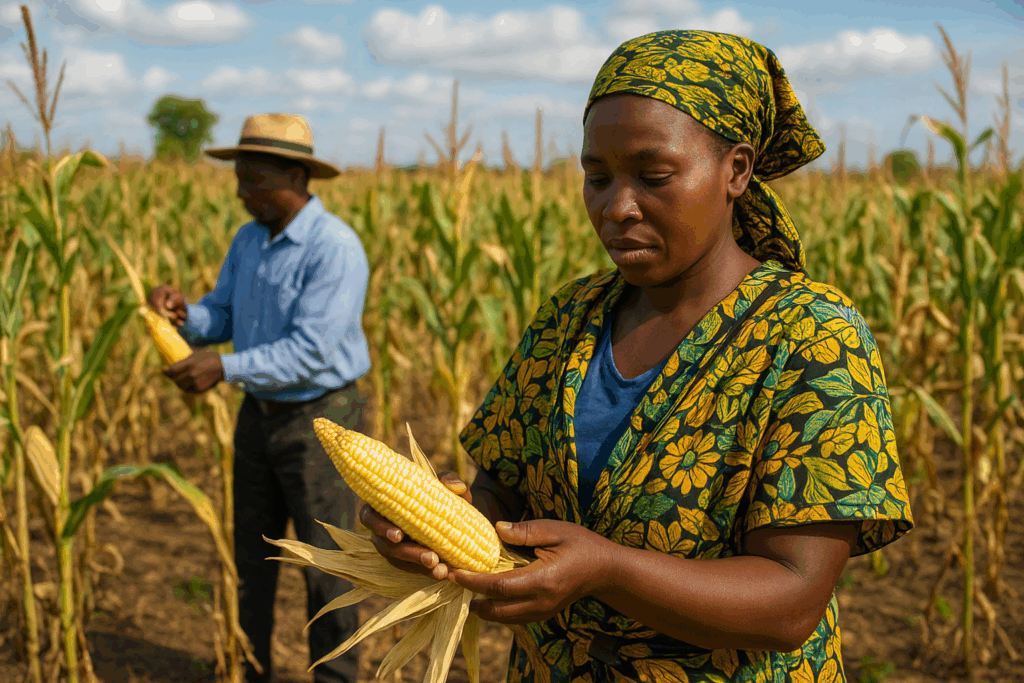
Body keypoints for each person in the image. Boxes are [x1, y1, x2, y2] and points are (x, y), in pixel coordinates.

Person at [361, 30, 914, 683]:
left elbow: (791, 600)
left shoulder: (812, 336)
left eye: (653, 177)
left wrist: (607, 570)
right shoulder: (568, 317)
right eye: (597, 178)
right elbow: (501, 492)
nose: (616, 208)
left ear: (737, 171)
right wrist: (439, 531)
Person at [147, 113, 370, 683]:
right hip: (258, 415)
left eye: (253, 179)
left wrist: (222, 368)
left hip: (323, 421)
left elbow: (312, 353)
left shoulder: (334, 248)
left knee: (329, 569)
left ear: (296, 176)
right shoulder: (249, 239)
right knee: (253, 558)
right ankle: (251, 670)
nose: (241, 192)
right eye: (239, 178)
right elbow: (221, 314)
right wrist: (185, 315)